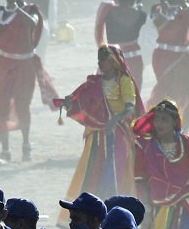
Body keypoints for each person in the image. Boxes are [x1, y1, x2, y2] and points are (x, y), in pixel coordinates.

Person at [0, 0, 55, 166]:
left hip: (25, 65)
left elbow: (32, 24)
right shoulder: (0, 12)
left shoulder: (31, 9)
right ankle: (5, 149)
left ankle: (25, 145)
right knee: (1, 105)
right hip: (3, 64)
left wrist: (16, 7)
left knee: (23, 104)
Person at [56, 45, 143, 202]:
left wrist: (115, 120)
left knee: (115, 170)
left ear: (114, 61)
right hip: (96, 135)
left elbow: (130, 108)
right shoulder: (94, 84)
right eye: (99, 59)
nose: (100, 62)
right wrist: (70, 103)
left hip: (119, 134)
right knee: (93, 172)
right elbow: (83, 105)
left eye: (104, 59)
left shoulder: (124, 81)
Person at [131, 99, 189, 229]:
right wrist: (147, 213)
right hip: (157, 206)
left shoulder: (186, 143)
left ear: (175, 122)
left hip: (187, 203)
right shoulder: (144, 146)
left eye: (164, 120)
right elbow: (141, 182)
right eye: (156, 119)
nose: (159, 124)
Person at [147, 0, 189, 131]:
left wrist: (182, 4)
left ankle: (183, 130)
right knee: (167, 93)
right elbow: (158, 23)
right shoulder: (156, 7)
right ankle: (154, 127)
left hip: (184, 55)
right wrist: (164, 11)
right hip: (163, 57)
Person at [93, 0, 148, 93]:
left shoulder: (107, 10)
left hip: (111, 59)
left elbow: (98, 35)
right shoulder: (141, 15)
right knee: (132, 98)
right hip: (134, 61)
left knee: (107, 99)